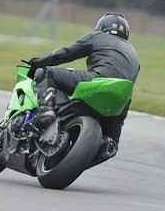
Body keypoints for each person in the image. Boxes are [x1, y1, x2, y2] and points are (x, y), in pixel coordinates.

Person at [27, 13, 140, 161]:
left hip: (96, 81)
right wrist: (114, 137)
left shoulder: (97, 37)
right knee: (111, 138)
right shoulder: (133, 54)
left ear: (101, 27)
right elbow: (127, 96)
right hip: (119, 99)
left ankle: (46, 110)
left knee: (48, 73)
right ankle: (108, 144)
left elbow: (65, 54)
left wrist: (38, 62)